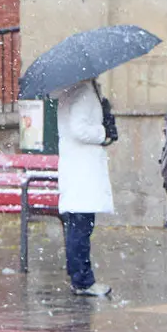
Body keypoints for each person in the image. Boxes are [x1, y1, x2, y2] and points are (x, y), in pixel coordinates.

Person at [55, 78, 117, 297]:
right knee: (81, 227)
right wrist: (104, 132)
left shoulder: (71, 89)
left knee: (77, 226)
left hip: (77, 169)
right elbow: (78, 128)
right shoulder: (83, 92)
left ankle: (79, 277)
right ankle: (83, 280)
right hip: (83, 171)